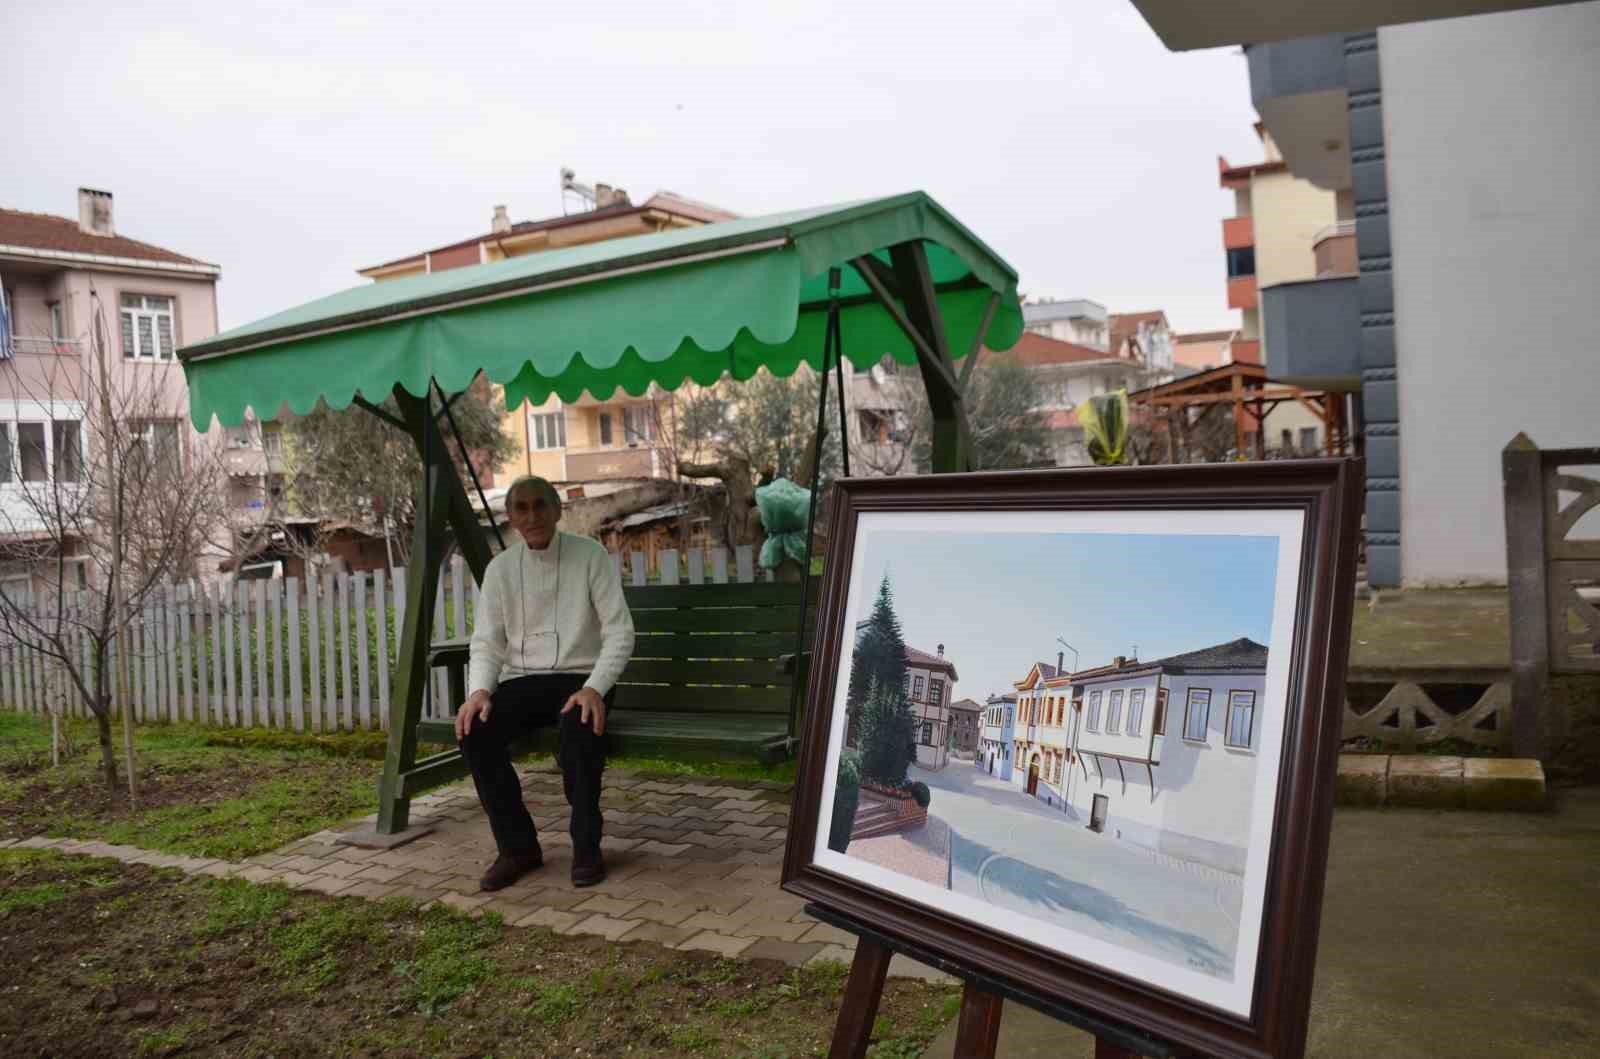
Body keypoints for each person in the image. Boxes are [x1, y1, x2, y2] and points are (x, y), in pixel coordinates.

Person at [455, 475, 634, 891]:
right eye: (522, 508)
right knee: (475, 730)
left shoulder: (589, 557)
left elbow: (620, 631)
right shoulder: (500, 570)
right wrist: (479, 691)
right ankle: (518, 849)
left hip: (584, 679)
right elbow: (486, 642)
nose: (532, 515)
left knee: (580, 727)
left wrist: (595, 687)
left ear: (557, 510)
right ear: (511, 517)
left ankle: (587, 846)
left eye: (540, 505)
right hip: (524, 682)